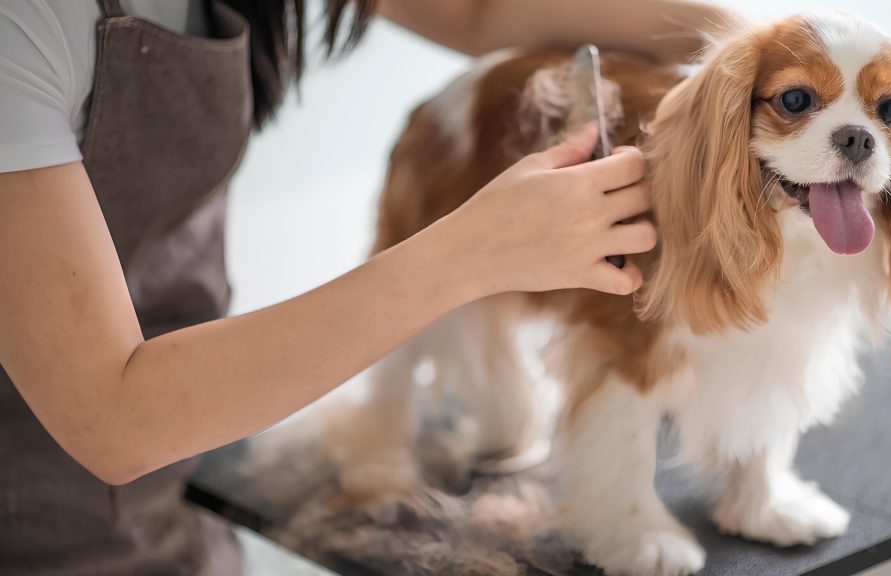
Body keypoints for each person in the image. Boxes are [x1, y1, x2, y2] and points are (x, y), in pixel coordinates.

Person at [0, 0, 732, 574]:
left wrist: (737, 42)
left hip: (179, 513)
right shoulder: (20, 27)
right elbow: (115, 418)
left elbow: (478, 8)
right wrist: (472, 251)